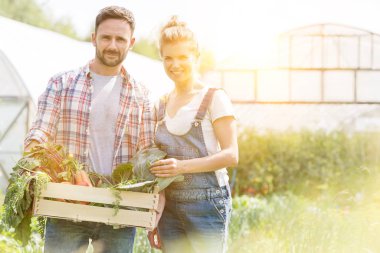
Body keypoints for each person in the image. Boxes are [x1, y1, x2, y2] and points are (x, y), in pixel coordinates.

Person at [24, 6, 155, 253]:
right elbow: (41, 132)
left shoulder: (141, 95)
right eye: (106, 37)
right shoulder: (62, 84)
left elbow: (147, 152)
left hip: (119, 210)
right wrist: (36, 151)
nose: (112, 45)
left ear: (132, 42)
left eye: (120, 39)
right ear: (94, 37)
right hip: (67, 203)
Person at [149, 16, 239, 253]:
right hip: (169, 209)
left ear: (196, 58)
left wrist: (180, 167)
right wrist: (155, 215)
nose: (174, 64)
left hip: (207, 204)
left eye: (182, 57)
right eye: (168, 58)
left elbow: (231, 155)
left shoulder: (214, 98)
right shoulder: (160, 104)